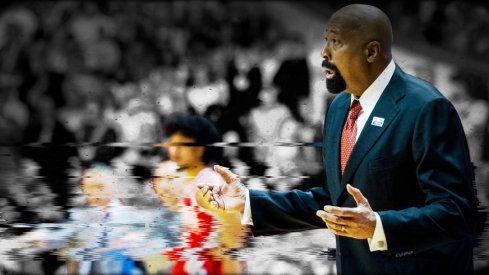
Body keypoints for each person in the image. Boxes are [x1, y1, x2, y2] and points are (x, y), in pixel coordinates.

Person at [195, 4, 479, 274]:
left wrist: (379, 226)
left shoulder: (426, 108)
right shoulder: (339, 108)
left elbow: (456, 211)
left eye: (335, 42)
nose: (323, 52)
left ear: (371, 51)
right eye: (325, 41)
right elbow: (334, 200)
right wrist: (247, 202)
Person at [151, 115, 247, 275]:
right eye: (172, 144)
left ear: (200, 148)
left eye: (182, 144)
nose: (175, 150)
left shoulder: (210, 182)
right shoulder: (184, 181)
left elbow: (234, 235)